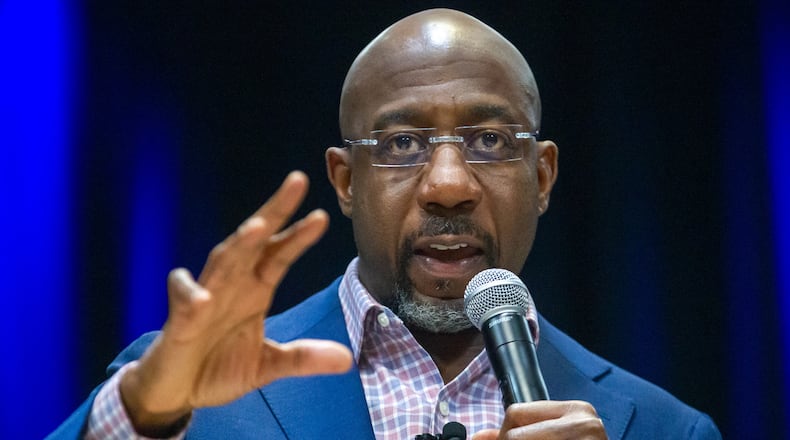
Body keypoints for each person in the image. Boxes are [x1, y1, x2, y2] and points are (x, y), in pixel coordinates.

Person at [50, 8, 721, 439]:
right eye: (402, 145)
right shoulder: (182, 393)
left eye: (489, 140)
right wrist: (140, 411)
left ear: (542, 177)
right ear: (345, 181)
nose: (449, 185)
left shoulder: (664, 428)